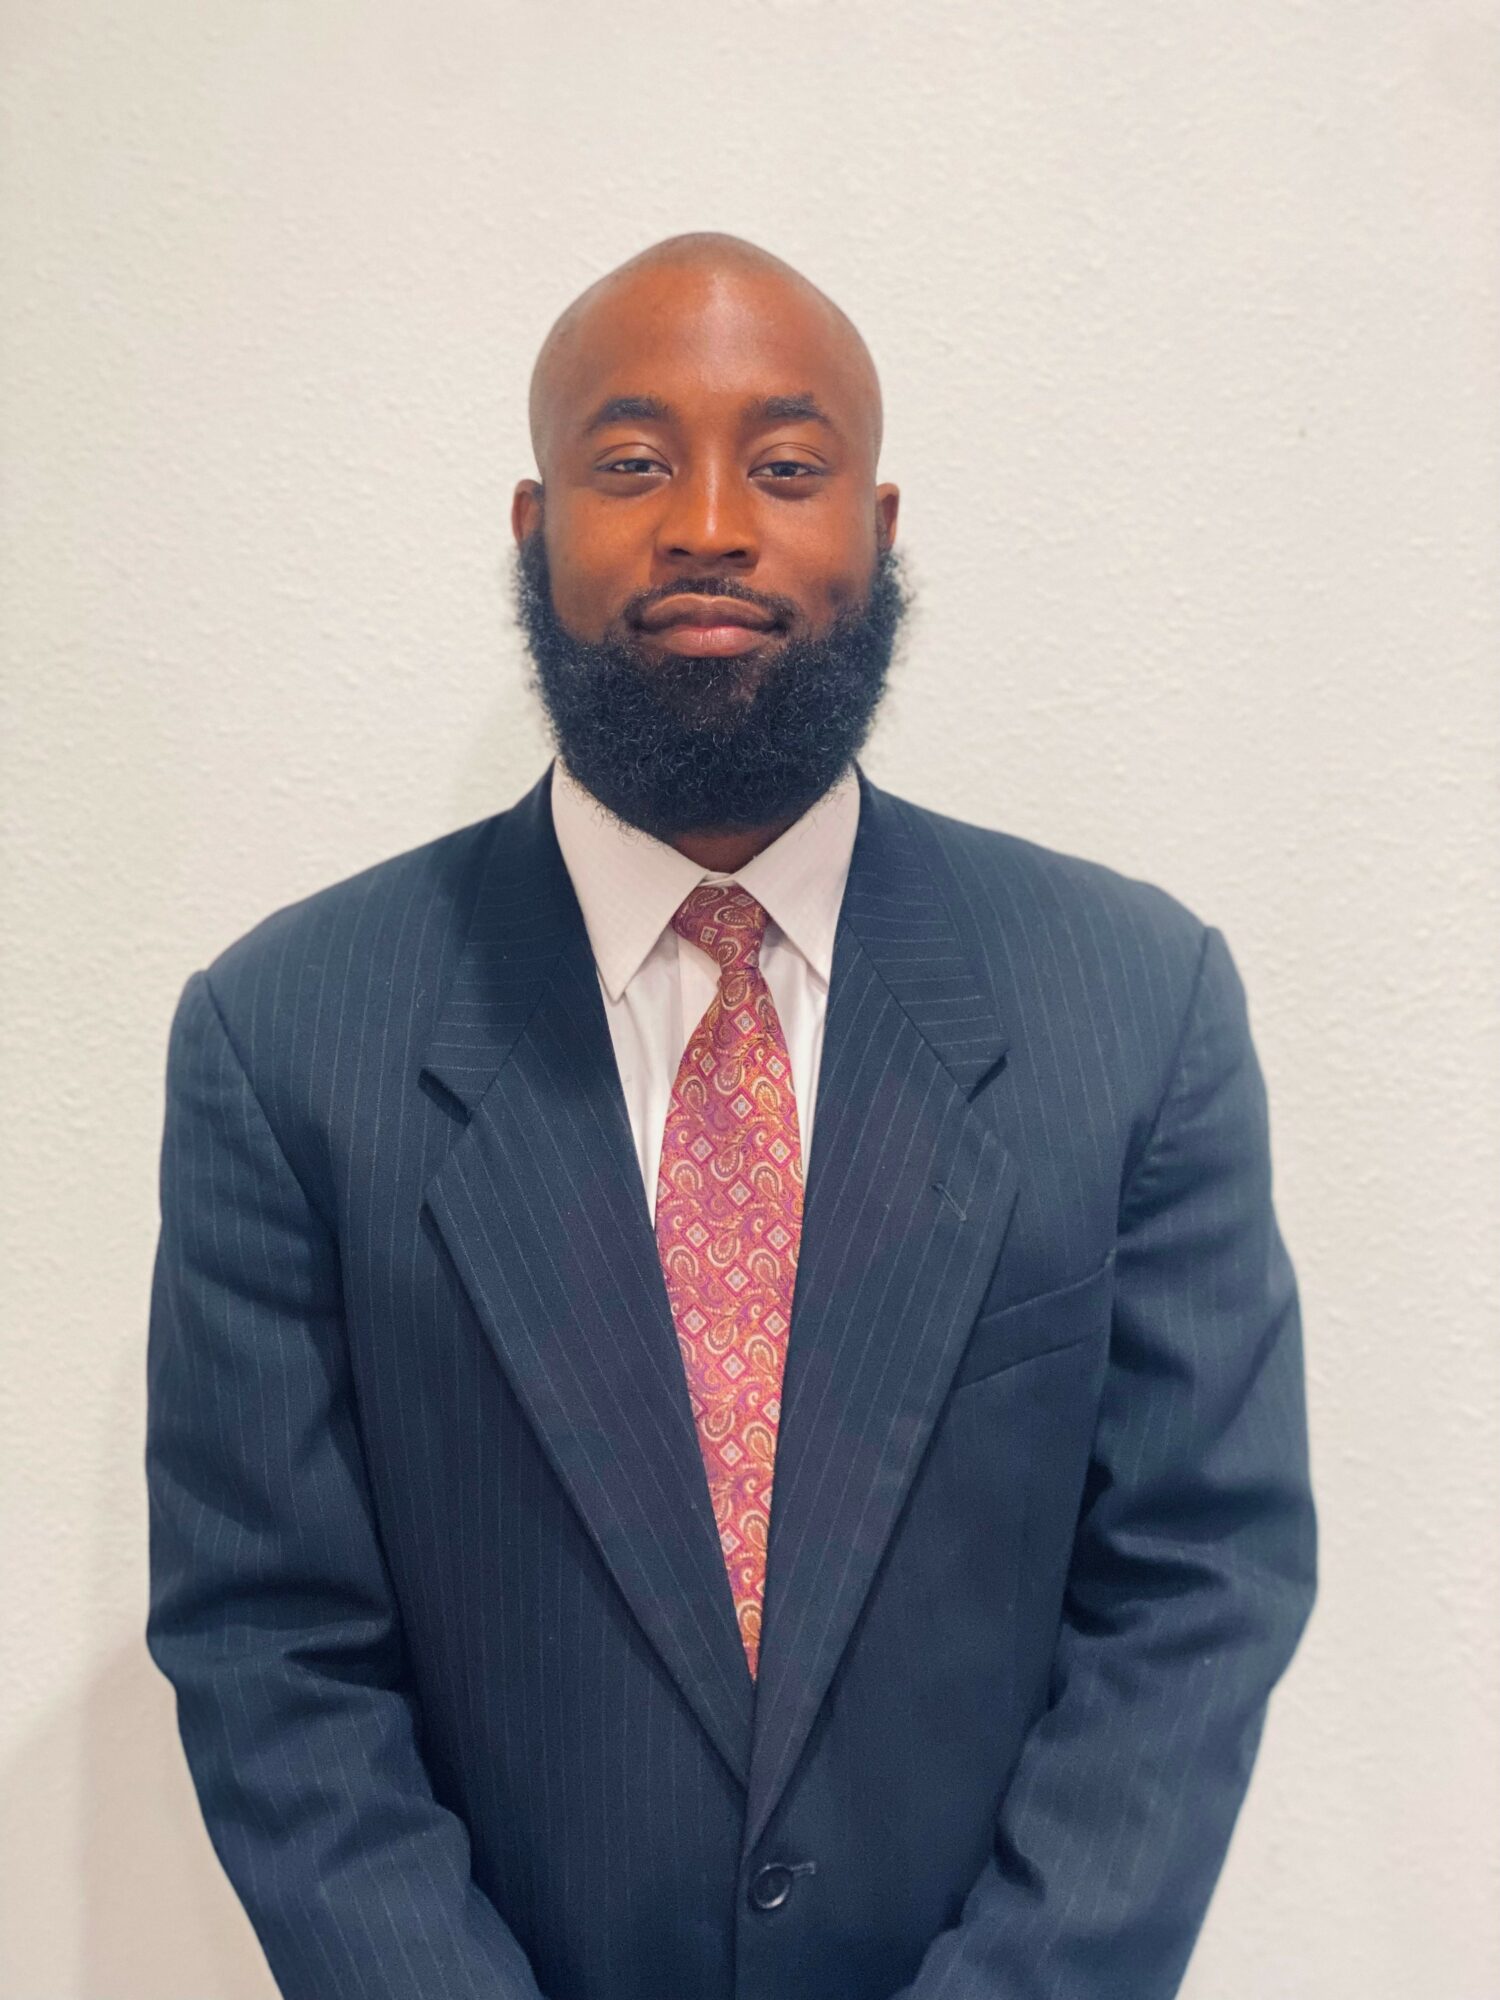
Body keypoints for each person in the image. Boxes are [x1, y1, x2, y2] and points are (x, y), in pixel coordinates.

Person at [144, 230, 1317, 2000]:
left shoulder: (1136, 1006)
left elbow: (1197, 1580)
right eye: (631, 464)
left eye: (784, 466)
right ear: (534, 530)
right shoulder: (286, 1037)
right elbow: (273, 1645)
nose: (707, 522)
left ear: (879, 528)